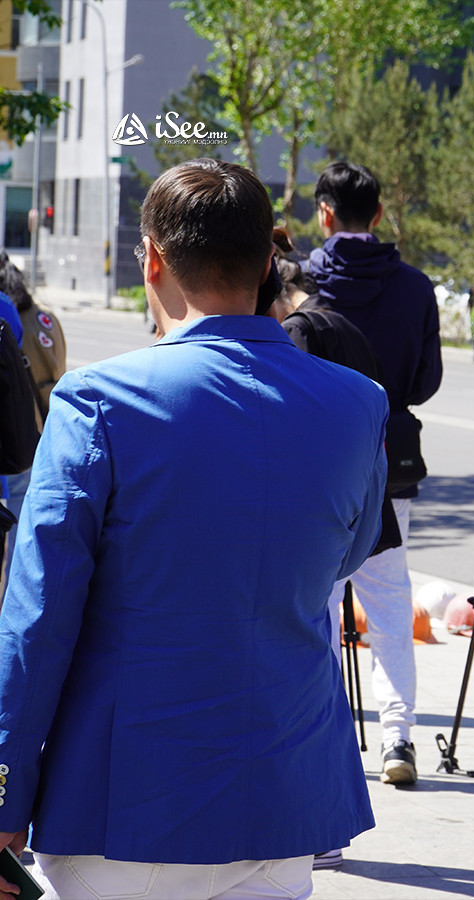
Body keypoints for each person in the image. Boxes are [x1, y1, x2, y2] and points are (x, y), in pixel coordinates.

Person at [0, 158, 388, 900]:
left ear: (151, 257)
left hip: (126, 802)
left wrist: (3, 791)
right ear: (268, 260)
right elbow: (350, 548)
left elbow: (39, 618)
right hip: (283, 793)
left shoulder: (98, 402)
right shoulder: (357, 402)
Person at [304, 160, 443, 787]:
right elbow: (426, 381)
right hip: (392, 460)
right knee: (389, 599)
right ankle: (398, 739)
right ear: (380, 214)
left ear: (324, 213)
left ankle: (324, 731)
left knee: (319, 601)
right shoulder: (414, 286)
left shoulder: (305, 284)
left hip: (318, 464)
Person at [0, 252, 66, 587]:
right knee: (21, 527)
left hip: (6, 437)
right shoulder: (44, 320)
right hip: (31, 435)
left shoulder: (6, 312)